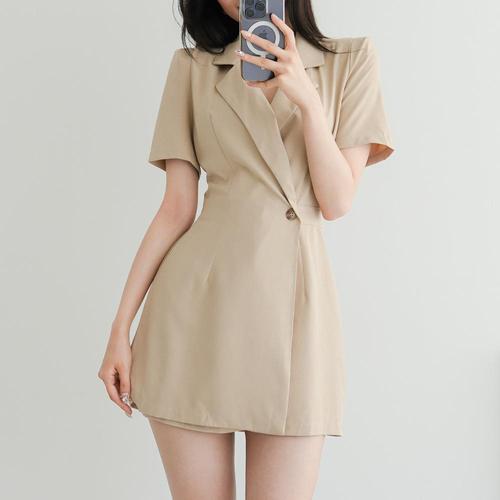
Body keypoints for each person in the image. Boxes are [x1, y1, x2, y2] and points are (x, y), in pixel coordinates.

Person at [98, 0, 395, 498]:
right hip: (194, 315)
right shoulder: (193, 68)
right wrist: (119, 329)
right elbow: (175, 209)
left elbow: (337, 200)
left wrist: (306, 99)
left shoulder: (351, 60)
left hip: (295, 316)